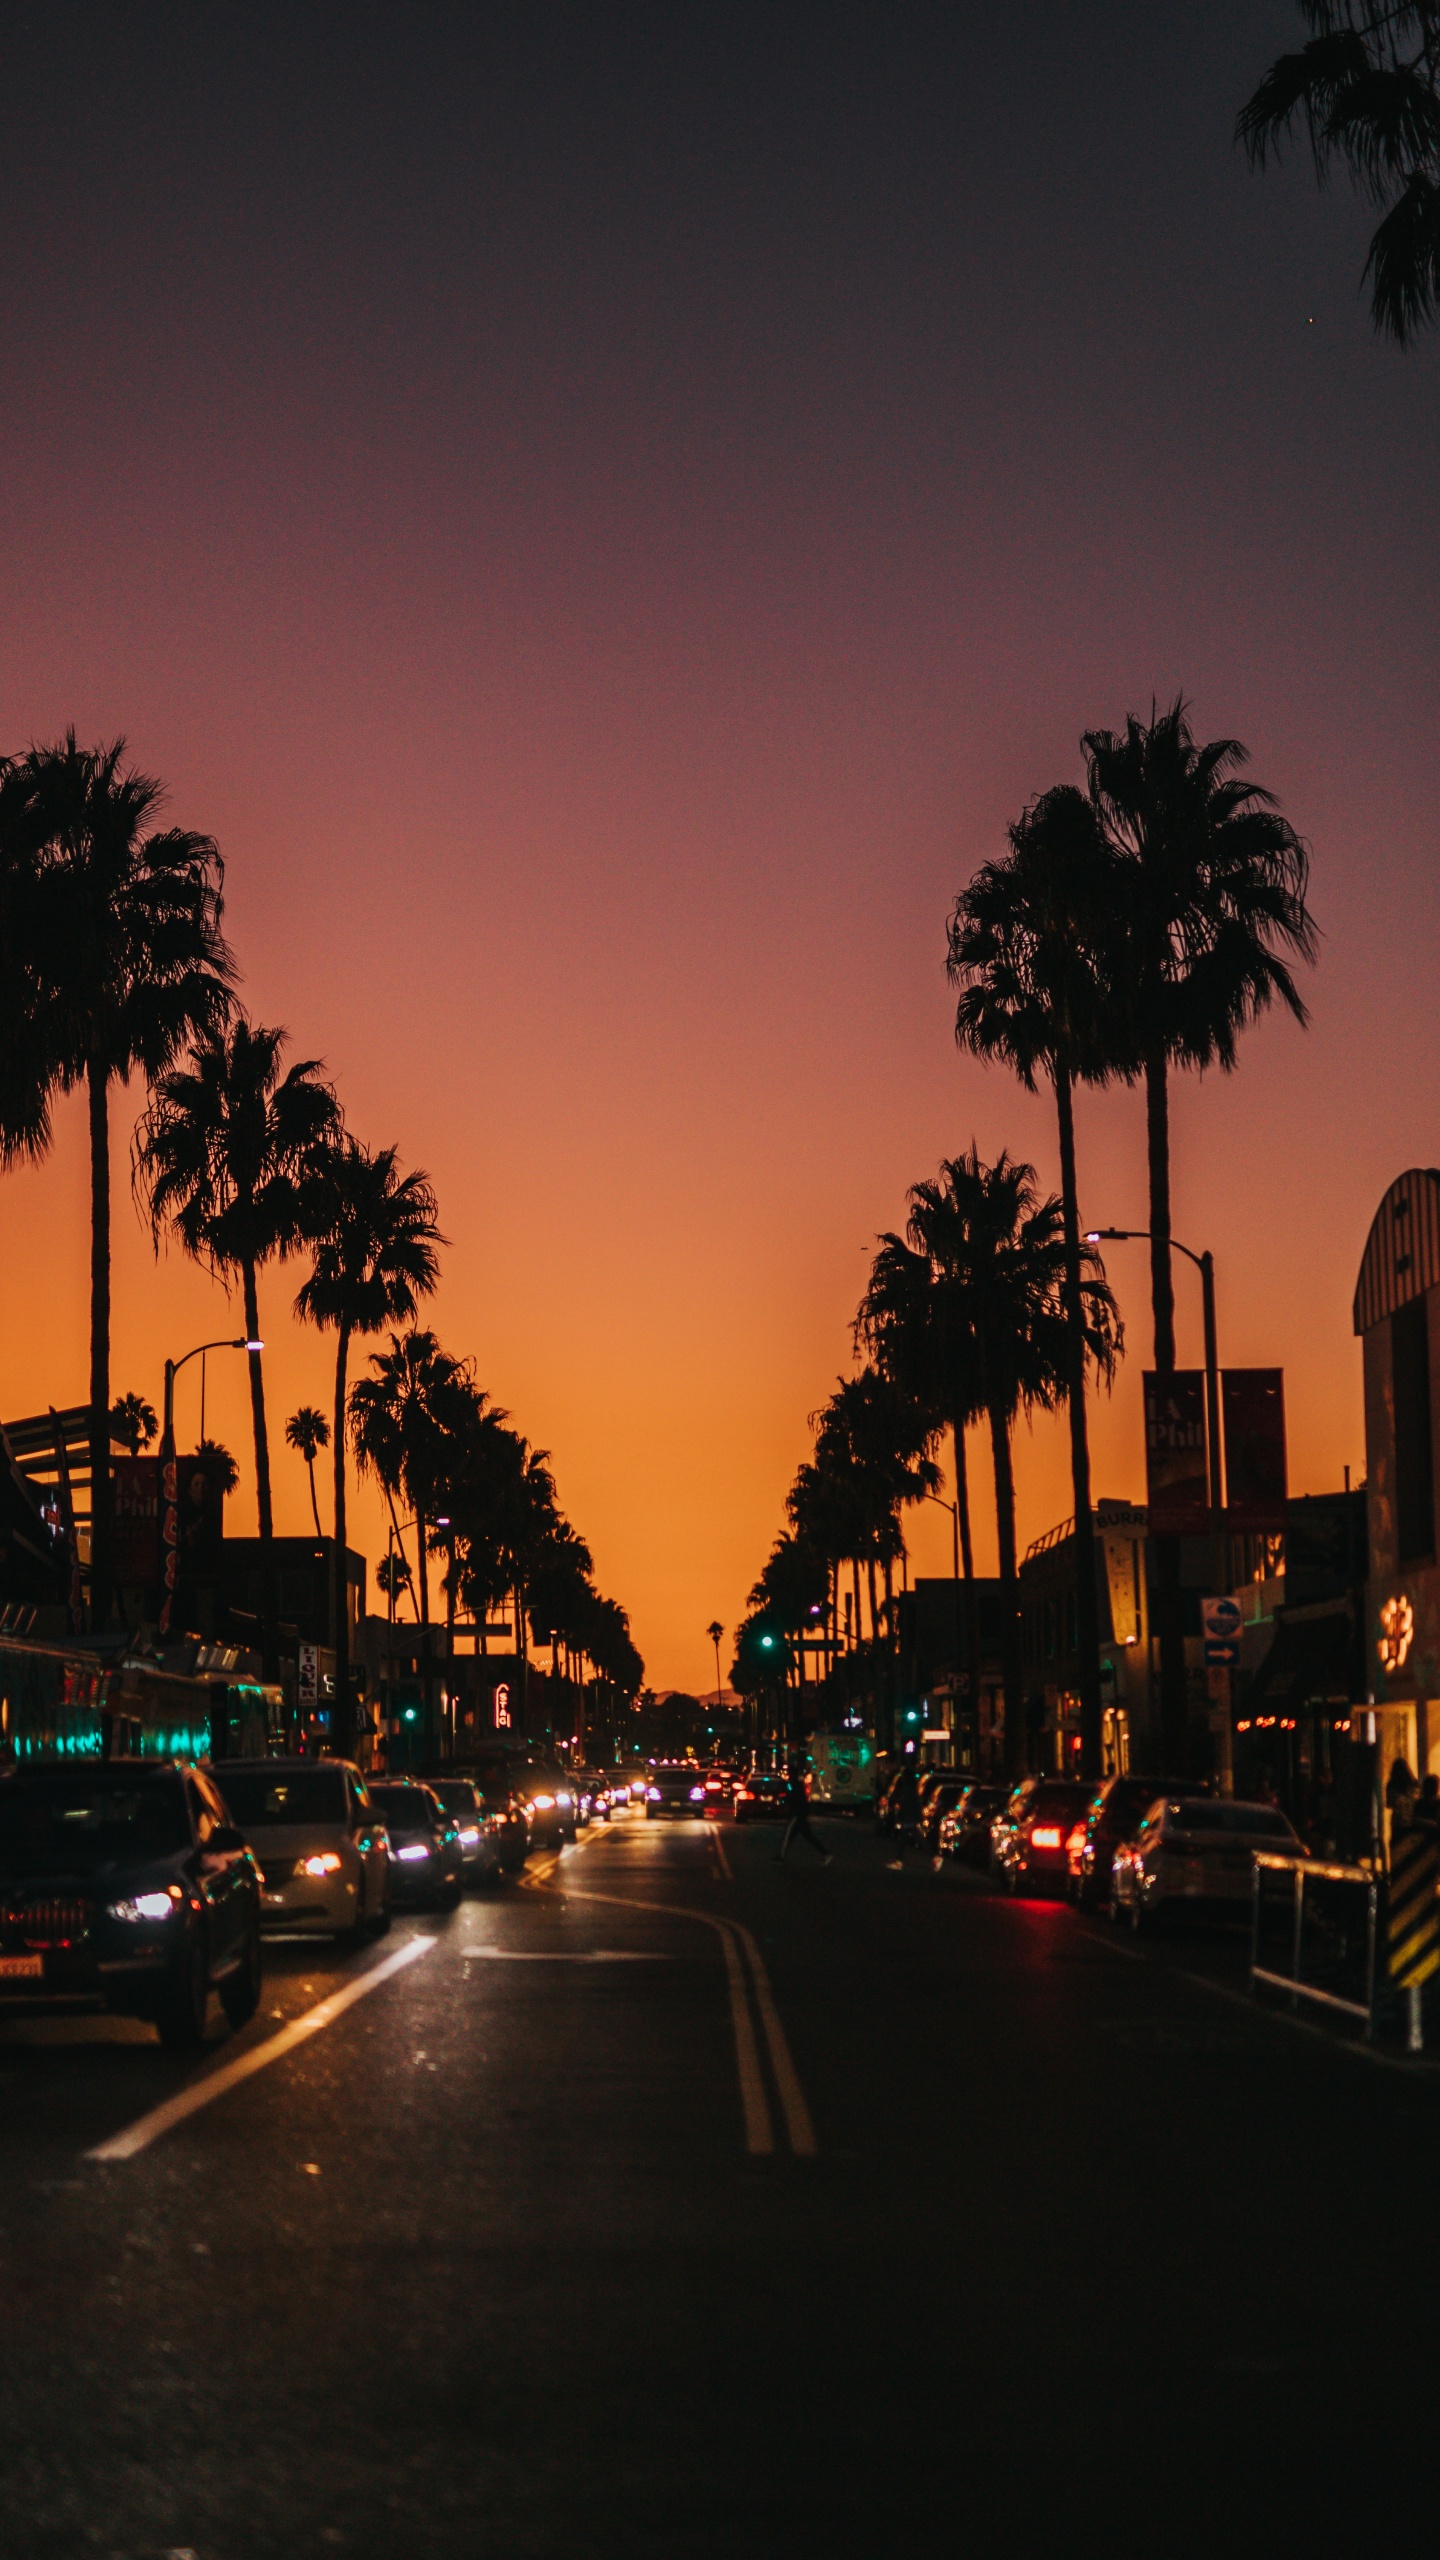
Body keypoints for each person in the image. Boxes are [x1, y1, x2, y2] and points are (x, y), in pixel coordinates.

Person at [777, 1761, 829, 1864]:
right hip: (800, 1813)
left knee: (788, 1835)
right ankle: (826, 1853)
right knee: (807, 1836)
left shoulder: (792, 1784)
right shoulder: (798, 1784)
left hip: (796, 1814)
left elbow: (791, 1797)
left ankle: (781, 1857)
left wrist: (784, 1801)